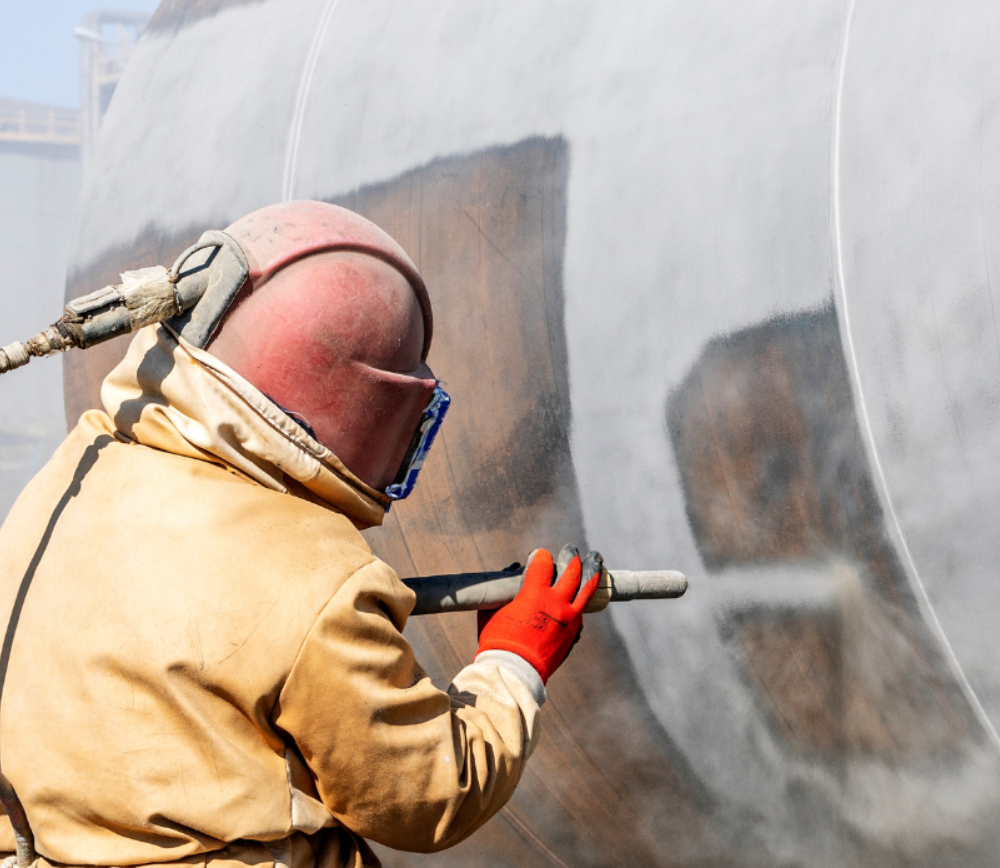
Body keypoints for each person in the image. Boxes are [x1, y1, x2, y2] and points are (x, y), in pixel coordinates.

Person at [0, 201, 600, 868]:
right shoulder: (316, 575)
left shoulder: (75, 471)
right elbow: (425, 796)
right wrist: (515, 662)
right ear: (366, 410)